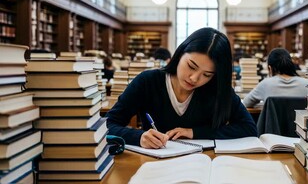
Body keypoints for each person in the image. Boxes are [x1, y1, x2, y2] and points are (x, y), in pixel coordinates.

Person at [106, 27, 258, 149]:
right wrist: (138, 137)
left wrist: (195, 133)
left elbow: (249, 129)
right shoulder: (147, 81)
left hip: (204, 166)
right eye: (191, 66)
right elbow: (109, 123)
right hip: (154, 166)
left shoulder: (217, 89)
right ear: (179, 54)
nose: (194, 78)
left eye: (207, 74)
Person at [242, 48, 308, 108]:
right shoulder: (307, 84)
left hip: (272, 121)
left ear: (270, 68)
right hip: (299, 121)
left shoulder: (265, 84)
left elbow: (246, 103)